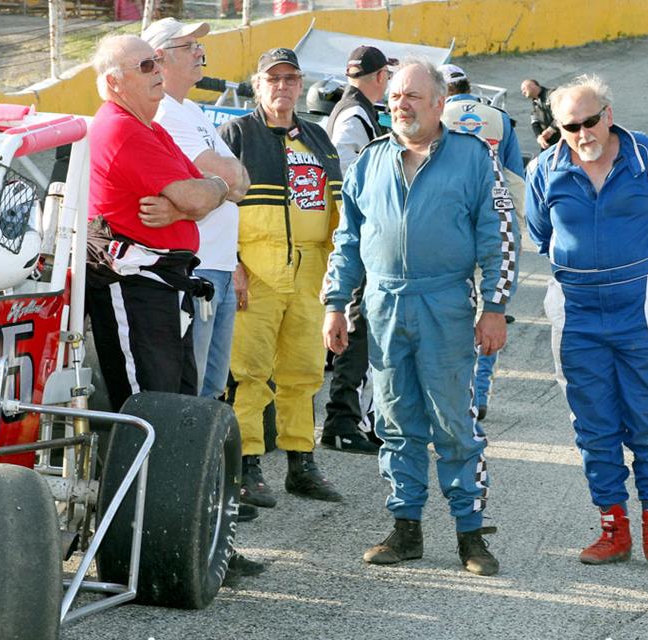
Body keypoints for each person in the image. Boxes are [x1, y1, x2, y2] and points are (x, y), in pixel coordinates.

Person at [322, 59, 517, 576]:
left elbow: (499, 237)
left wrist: (495, 308)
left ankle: (470, 534)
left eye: (412, 96)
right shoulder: (369, 161)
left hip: (446, 305)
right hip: (383, 307)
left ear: (437, 103)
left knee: (455, 423)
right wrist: (335, 303)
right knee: (394, 422)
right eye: (394, 98)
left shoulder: (473, 159)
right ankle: (405, 527)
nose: (401, 105)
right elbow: (347, 241)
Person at [526, 74, 648, 575]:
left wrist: (634, 267)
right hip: (575, 312)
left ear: (609, 113)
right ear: (558, 128)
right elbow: (540, 233)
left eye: (591, 119)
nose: (583, 133)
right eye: (570, 125)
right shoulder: (544, 169)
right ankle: (612, 528)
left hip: (643, 309)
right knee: (593, 425)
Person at [218, 47, 344, 506]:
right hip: (257, 270)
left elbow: (338, 209)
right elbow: (217, 206)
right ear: (258, 84)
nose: (283, 87)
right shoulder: (235, 134)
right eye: (274, 79)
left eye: (291, 79)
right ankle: (246, 465)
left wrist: (340, 275)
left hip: (312, 271)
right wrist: (230, 262)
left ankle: (300, 462)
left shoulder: (317, 136)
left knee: (304, 372)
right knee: (249, 372)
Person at [85, 34, 230, 414]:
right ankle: (143, 477)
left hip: (161, 285)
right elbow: (202, 195)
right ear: (115, 82)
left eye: (157, 62)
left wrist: (189, 203)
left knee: (177, 404)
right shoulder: (123, 128)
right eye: (146, 65)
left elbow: (207, 191)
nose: (158, 72)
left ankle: (165, 476)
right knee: (148, 411)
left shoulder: (150, 127)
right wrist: (206, 192)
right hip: (136, 287)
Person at [143, 18, 250, 403]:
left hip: (217, 266)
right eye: (188, 47)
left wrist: (223, 184)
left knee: (212, 388)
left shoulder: (192, 111)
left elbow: (241, 182)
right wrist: (226, 183)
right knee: (196, 388)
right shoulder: (167, 115)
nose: (199, 53)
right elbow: (230, 180)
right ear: (160, 59)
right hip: (196, 268)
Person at [320, 44, 395, 455]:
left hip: (357, 238)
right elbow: (350, 183)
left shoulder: (353, 109)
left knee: (361, 327)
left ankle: (348, 419)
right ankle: (345, 420)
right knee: (361, 329)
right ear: (380, 76)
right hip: (362, 240)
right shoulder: (354, 115)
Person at [441, 63, 526, 422]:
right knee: (491, 308)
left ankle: (454, 389)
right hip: (493, 222)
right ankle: (481, 388)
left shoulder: (437, 114)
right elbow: (516, 179)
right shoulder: (500, 118)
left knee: (449, 308)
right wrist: (516, 228)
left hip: (450, 222)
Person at [521, 78, 560, 151]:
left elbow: (564, 114)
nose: (522, 92)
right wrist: (539, 137)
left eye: (524, 88)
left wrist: (551, 130)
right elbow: (534, 123)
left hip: (562, 140)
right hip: (548, 144)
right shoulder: (535, 103)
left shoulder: (552, 94)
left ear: (532, 85)